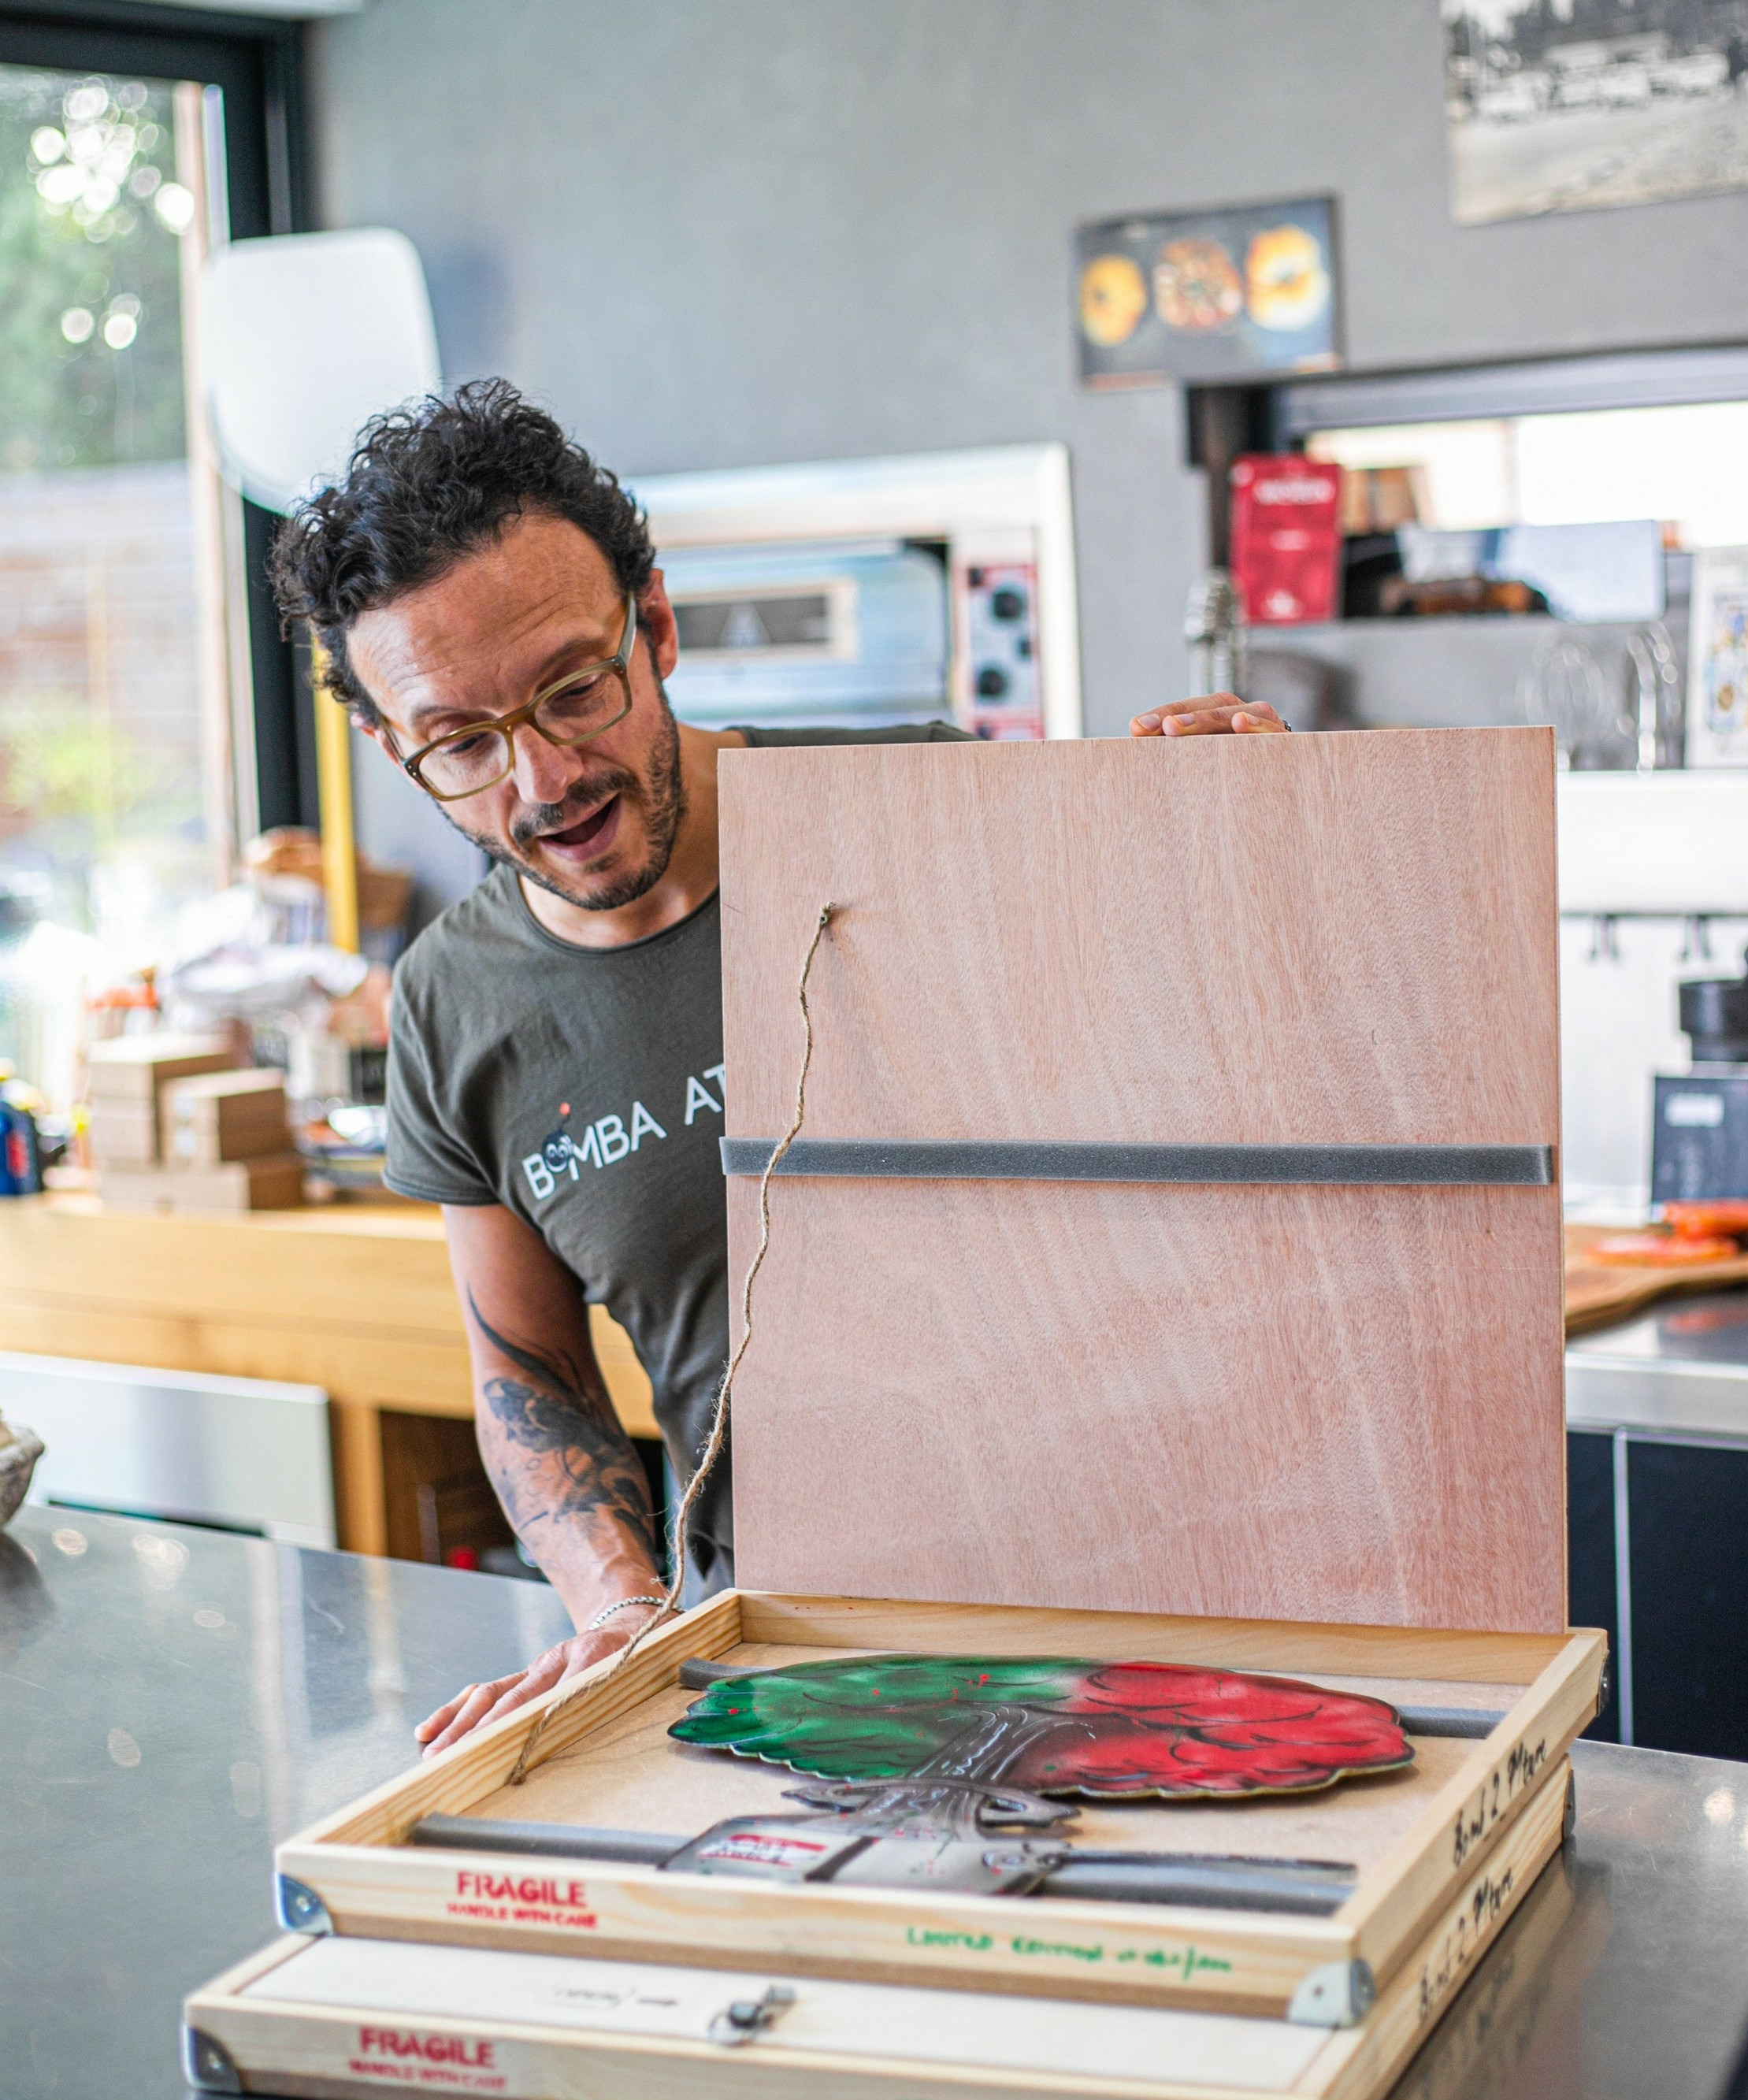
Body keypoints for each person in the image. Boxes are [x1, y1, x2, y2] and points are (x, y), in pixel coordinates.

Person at [269, 381, 1286, 1757]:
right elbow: (532, 1376)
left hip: (1131, 1613)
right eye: (461, 743)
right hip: (789, 1675)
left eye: (575, 691)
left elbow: (1233, 1119)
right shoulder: (454, 1001)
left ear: (656, 627)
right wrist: (623, 1609)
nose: (546, 779)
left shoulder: (932, 812)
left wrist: (1261, 859)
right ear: (394, 747)